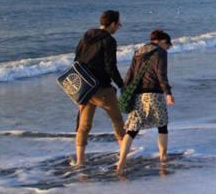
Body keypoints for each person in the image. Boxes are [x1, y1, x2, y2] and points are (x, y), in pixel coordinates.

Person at [116, 29, 175, 173]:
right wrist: (168, 93)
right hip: (154, 94)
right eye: (167, 44)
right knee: (162, 125)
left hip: (137, 95)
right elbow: (161, 75)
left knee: (132, 130)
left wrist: (125, 92)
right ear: (161, 41)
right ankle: (163, 157)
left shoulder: (139, 51)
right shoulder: (160, 52)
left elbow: (130, 74)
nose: (167, 47)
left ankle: (121, 161)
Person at [73, 10, 126, 166]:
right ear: (113, 24)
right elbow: (111, 67)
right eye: (119, 25)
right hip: (102, 89)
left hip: (85, 88)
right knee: (118, 122)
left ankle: (80, 161)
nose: (118, 28)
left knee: (83, 126)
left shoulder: (87, 35)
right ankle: (124, 157)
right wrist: (122, 85)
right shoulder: (109, 41)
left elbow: (77, 59)